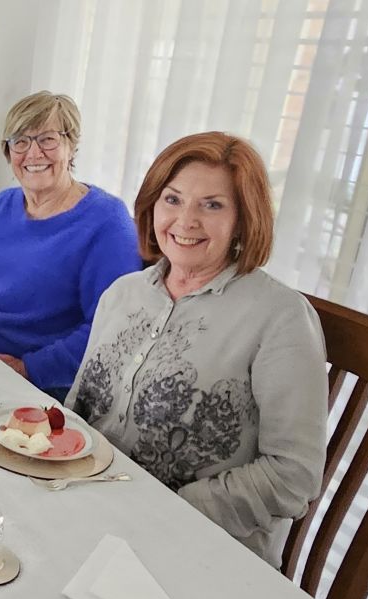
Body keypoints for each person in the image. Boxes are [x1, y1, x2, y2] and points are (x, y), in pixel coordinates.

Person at [67, 132, 326, 566]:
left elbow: (293, 475)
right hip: (91, 514)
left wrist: (166, 510)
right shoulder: (123, 293)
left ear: (243, 219)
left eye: (212, 205)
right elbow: (80, 412)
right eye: (172, 199)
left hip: (196, 552)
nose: (186, 220)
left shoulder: (281, 317)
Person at [0, 92, 140, 399]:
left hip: (25, 383)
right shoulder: (2, 204)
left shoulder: (106, 220)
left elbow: (110, 327)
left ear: (71, 145)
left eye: (48, 139)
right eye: (21, 141)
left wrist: (29, 369)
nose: (34, 153)